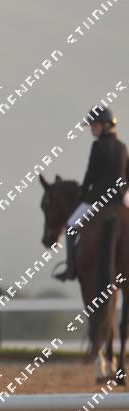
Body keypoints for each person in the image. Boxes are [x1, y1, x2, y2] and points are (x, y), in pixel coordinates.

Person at [55, 106, 129, 281]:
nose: (91, 129)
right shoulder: (122, 147)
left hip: (97, 199)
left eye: (94, 125)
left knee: (71, 226)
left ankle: (70, 267)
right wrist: (123, 192)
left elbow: (91, 174)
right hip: (120, 198)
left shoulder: (97, 146)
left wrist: (82, 195)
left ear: (105, 125)